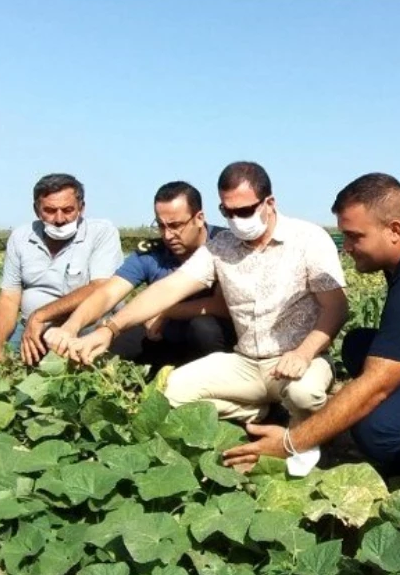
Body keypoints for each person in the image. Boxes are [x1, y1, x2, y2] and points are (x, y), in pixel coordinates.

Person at [221, 173, 400, 480]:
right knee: (357, 344)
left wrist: (291, 442)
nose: (346, 246)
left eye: (355, 236)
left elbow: (378, 384)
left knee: (375, 431)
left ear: (394, 230)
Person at [64, 161, 348, 428]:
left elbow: (335, 307)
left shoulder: (309, 239)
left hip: (300, 358)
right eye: (228, 212)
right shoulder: (222, 246)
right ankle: (255, 411)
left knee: (303, 394)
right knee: (171, 393)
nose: (236, 220)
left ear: (269, 203)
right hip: (246, 362)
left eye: (244, 211)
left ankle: (306, 435)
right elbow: (168, 288)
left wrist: (303, 352)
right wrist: (109, 329)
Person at [43, 181, 236, 372]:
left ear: (199, 218)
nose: (168, 235)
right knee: (109, 345)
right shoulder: (152, 253)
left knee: (203, 328)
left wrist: (165, 311)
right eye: (161, 226)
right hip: (161, 335)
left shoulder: (225, 245)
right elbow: (109, 293)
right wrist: (71, 326)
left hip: (214, 341)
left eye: (176, 225)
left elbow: (222, 305)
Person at [0, 173, 123, 368]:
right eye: (50, 211)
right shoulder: (21, 237)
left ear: (81, 208)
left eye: (68, 210)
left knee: (67, 377)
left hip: (83, 329)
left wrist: (41, 315)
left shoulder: (101, 233)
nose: (59, 219)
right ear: (36, 210)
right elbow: (8, 297)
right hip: (30, 330)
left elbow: (100, 288)